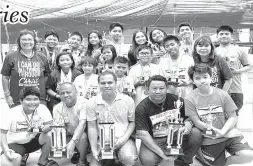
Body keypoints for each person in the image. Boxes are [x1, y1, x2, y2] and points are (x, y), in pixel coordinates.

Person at [185, 63, 253, 166]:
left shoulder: (222, 94)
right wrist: (218, 133)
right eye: (197, 78)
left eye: (205, 77)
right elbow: (197, 122)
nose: (202, 81)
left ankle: (221, 163)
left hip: (229, 135)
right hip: (209, 139)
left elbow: (232, 116)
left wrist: (223, 132)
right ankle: (201, 158)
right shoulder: (189, 99)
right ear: (193, 81)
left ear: (211, 78)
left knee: (248, 155)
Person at [135, 75, 203, 166]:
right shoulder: (141, 108)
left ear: (166, 88)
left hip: (177, 135)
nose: (158, 91)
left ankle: (182, 162)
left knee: (196, 133)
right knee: (148, 159)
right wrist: (162, 154)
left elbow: (192, 115)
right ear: (147, 90)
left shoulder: (177, 100)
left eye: (161, 88)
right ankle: (162, 159)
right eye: (154, 88)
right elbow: (143, 135)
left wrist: (188, 124)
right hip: (156, 139)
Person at [87, 71, 138, 166]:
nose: (106, 85)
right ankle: (111, 159)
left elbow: (132, 122)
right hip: (102, 142)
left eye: (110, 82)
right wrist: (94, 149)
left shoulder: (127, 100)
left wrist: (125, 138)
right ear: (98, 84)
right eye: (103, 83)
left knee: (129, 158)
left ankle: (120, 157)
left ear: (116, 83)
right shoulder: (91, 102)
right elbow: (92, 127)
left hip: (123, 139)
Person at [0, 87, 59, 166]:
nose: (32, 102)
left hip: (33, 141)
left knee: (50, 133)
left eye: (35, 99)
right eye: (28, 99)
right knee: (6, 164)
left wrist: (48, 127)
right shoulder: (12, 112)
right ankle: (22, 155)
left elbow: (50, 124)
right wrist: (6, 150)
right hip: (15, 144)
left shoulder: (43, 109)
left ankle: (43, 160)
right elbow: (2, 133)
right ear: (21, 101)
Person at [1, 29, 50, 108]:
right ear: (19, 42)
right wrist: (7, 95)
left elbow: (47, 76)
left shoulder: (42, 57)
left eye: (30, 39)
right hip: (17, 99)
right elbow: (5, 77)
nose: (27, 42)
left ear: (34, 42)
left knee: (39, 119)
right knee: (19, 120)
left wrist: (46, 92)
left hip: (39, 99)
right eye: (24, 39)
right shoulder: (11, 56)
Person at [215, 25, 252, 115]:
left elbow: (249, 66)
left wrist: (236, 71)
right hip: (218, 89)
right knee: (218, 116)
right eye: (221, 34)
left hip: (235, 89)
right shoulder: (214, 51)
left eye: (227, 34)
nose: (224, 36)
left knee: (234, 116)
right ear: (217, 36)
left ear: (231, 36)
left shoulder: (240, 50)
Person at [53, 82, 89, 166]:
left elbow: (82, 124)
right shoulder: (57, 108)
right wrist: (59, 144)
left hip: (83, 135)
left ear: (75, 91)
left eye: (68, 92)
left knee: (82, 136)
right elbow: (58, 127)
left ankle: (82, 161)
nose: (65, 95)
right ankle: (73, 151)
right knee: (50, 134)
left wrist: (73, 142)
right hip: (68, 134)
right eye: (62, 93)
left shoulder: (84, 103)